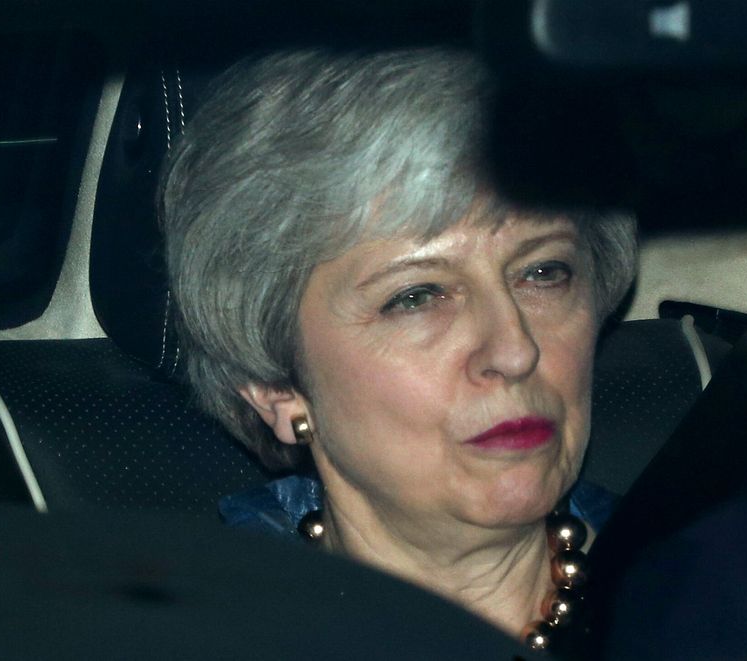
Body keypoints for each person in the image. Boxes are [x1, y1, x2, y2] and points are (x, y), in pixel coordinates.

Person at [158, 47, 636, 649]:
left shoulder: (724, 590)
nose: (515, 351)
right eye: (416, 298)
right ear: (276, 388)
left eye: (542, 273)